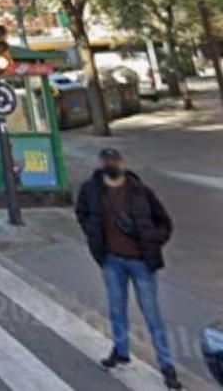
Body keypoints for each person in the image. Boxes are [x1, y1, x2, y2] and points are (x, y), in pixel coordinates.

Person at [76, 147, 182, 389]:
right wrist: (92, 235)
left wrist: (153, 240)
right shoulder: (91, 189)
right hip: (112, 260)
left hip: (141, 261)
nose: (111, 164)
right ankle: (121, 350)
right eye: (107, 160)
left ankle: (166, 365)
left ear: (122, 162)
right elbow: (82, 213)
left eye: (114, 160)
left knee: (152, 315)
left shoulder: (140, 190)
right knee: (116, 310)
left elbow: (164, 222)